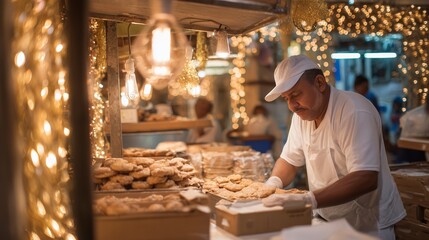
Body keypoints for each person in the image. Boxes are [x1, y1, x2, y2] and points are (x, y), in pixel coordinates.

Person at [262, 55, 405, 239]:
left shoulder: (353, 111)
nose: (292, 106)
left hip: (366, 225)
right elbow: (289, 160)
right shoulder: (303, 116)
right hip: (327, 218)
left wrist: (309, 199)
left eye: (296, 94)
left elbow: (365, 177)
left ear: (320, 83)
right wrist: (273, 183)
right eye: (286, 98)